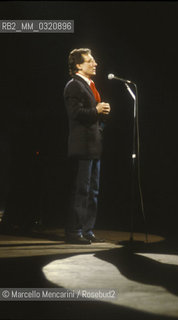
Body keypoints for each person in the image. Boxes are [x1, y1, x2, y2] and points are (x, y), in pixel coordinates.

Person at [64, 48, 110, 244]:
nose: (95, 63)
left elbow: (91, 115)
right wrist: (96, 110)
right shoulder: (74, 85)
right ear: (78, 65)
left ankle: (87, 230)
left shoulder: (90, 85)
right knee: (81, 190)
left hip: (93, 145)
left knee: (93, 191)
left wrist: (102, 115)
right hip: (82, 146)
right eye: (90, 61)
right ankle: (74, 231)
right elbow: (76, 113)